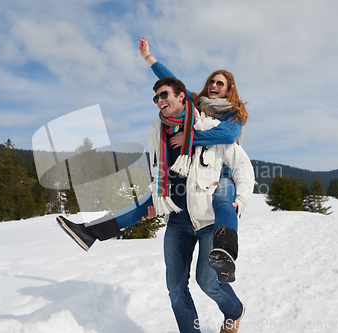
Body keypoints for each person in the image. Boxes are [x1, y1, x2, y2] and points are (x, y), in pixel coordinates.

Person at [57, 76, 254, 333]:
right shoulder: (157, 133)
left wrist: (241, 200)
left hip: (206, 221)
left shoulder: (208, 128)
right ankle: (90, 232)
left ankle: (234, 311)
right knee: (175, 289)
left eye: (164, 95)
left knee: (208, 283)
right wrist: (156, 203)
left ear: (181, 97)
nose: (159, 101)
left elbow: (242, 166)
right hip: (177, 223)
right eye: (156, 98)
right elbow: (161, 175)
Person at [139, 37, 249, 282]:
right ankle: (98, 229)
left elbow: (227, 136)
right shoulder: (197, 102)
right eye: (211, 80)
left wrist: (189, 139)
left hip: (224, 170)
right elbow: (173, 83)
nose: (213, 84)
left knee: (223, 201)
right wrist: (149, 58)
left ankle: (226, 253)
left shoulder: (235, 113)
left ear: (228, 89)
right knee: (156, 196)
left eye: (220, 83)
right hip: (199, 171)